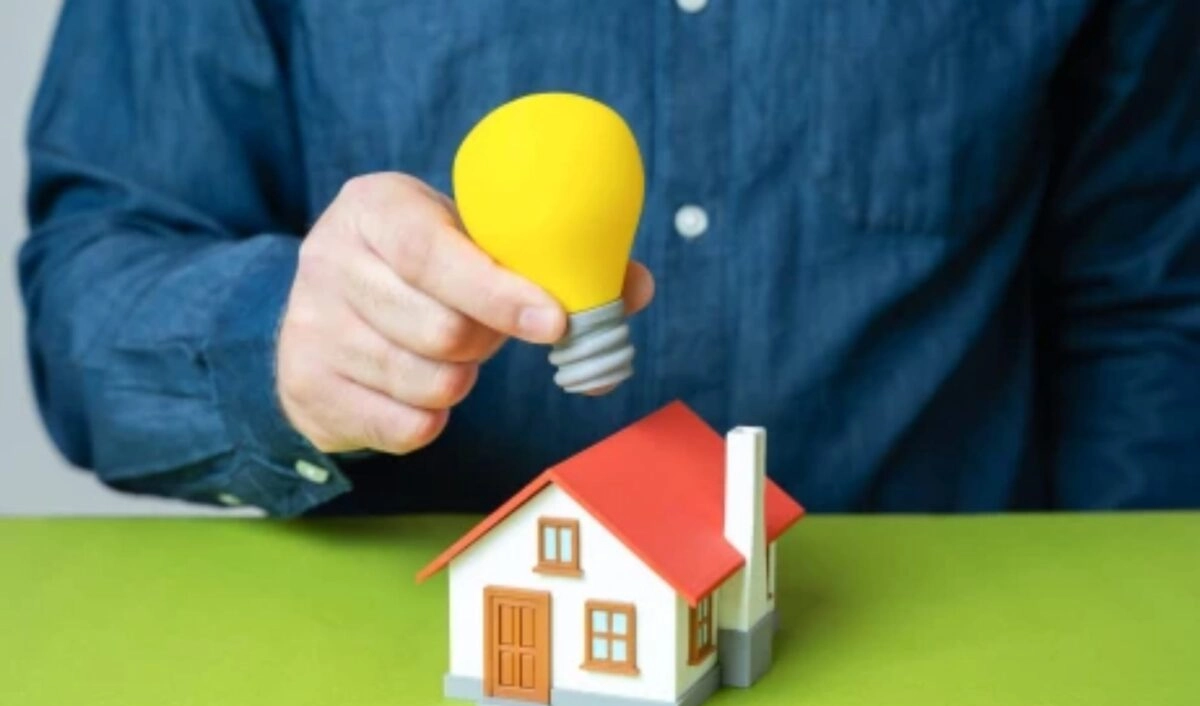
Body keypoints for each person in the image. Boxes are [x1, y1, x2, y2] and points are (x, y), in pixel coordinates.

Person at [19, 1, 1199, 517]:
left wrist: (1122, 615)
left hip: (948, 640)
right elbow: (90, 287)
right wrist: (275, 346)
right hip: (413, 641)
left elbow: (1147, 303)